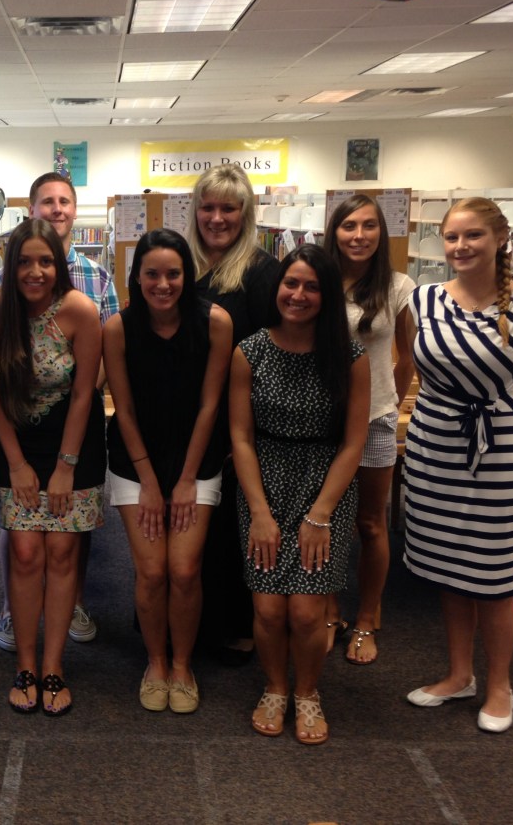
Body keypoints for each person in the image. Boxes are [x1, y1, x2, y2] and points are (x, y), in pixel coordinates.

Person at [403, 197, 513, 734]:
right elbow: (412, 364)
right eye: (452, 237)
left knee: (493, 576)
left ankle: (499, 685)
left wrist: (495, 411)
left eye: (473, 236)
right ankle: (458, 675)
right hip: (432, 448)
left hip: (499, 449)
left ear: (500, 239)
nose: (460, 247)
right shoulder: (423, 299)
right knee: (450, 569)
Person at [231, 244, 370, 745]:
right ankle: (274, 687)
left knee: (309, 611)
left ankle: (307, 692)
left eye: (312, 286)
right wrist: (260, 512)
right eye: (291, 283)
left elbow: (354, 442)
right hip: (263, 484)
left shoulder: (349, 357)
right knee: (269, 609)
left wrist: (322, 514)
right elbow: (241, 438)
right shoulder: (249, 351)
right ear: (277, 289)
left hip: (325, 486)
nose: (299, 294)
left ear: (327, 295)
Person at [0, 219, 104, 717]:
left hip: (74, 442)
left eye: (45, 261)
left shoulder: (80, 311)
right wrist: (17, 463)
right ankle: (25, 667)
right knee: (26, 552)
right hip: (17, 442)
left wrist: (65, 467)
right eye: (25, 261)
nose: (35, 271)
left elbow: (85, 393)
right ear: (11, 265)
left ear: (59, 265)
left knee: (64, 551)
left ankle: (54, 667)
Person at [103, 229, 232, 714]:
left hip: (195, 459)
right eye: (152, 274)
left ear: (187, 275)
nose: (163, 284)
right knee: (153, 571)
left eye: (173, 273)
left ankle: (183, 664)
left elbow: (209, 406)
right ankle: (155, 662)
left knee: (184, 569)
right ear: (136, 277)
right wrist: (152, 483)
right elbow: (125, 409)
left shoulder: (215, 322)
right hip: (136, 462)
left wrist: (184, 479)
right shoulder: (118, 328)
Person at [0, 172, 118, 654]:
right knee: (20, 535)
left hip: (75, 416)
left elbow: (105, 354)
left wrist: (75, 416)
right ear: (33, 209)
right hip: (21, 427)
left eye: (66, 201)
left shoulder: (97, 280)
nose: (58, 209)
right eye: (48, 201)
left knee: (68, 536)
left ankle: (74, 603)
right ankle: (11, 605)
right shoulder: (0, 288)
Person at [185, 163, 281, 667]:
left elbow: (274, 351)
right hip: (184, 417)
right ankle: (190, 626)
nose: (217, 217)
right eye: (208, 206)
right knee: (189, 529)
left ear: (245, 214)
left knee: (229, 530)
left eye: (228, 207)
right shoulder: (181, 265)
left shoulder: (263, 273)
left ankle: (233, 628)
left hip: (238, 423)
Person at [321, 195, 416, 665]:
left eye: (369, 226)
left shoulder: (399, 286)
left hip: (375, 420)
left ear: (382, 233)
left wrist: (388, 400)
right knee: (326, 520)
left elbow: (407, 355)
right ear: (333, 231)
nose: (359, 235)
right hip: (322, 421)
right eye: (349, 226)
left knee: (371, 524)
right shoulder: (318, 280)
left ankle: (366, 616)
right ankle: (331, 609)